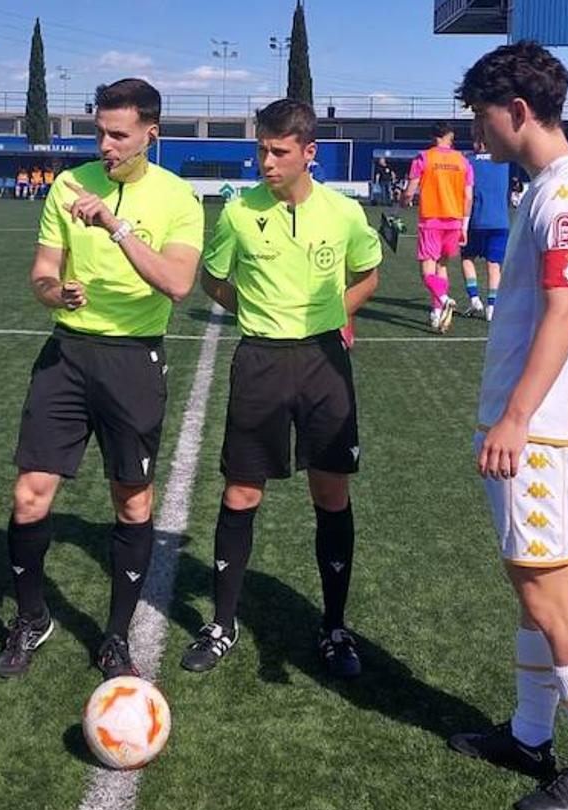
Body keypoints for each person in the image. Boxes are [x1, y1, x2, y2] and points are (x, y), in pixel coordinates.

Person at [448, 40, 568, 810]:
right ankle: (528, 734)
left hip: (546, 432)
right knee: (531, 586)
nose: (477, 134)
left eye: (483, 119)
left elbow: (566, 308)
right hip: (540, 424)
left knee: (552, 593)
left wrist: (518, 418)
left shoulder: (563, 197)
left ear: (517, 110)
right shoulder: (548, 190)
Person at [0, 77, 203, 681]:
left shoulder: (178, 199)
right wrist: (54, 291)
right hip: (67, 354)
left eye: (119, 135)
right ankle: (32, 617)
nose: (106, 145)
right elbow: (40, 273)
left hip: (133, 360)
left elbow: (178, 283)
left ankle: (115, 636)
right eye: (99, 133)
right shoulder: (67, 185)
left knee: (132, 500)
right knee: (28, 495)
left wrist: (114, 226)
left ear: (150, 135)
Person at [181, 99, 382, 677]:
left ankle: (334, 627)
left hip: (323, 361)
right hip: (260, 361)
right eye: (261, 150)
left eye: (278, 152)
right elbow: (213, 280)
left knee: (331, 494)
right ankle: (222, 623)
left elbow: (368, 274)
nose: (266, 162)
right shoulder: (240, 214)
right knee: (242, 493)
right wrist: (257, 312)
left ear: (308, 153)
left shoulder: (344, 214)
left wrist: (332, 312)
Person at [402, 122, 473, 333]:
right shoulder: (463, 161)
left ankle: (442, 299)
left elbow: (409, 191)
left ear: (434, 137)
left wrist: (405, 201)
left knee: (427, 272)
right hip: (454, 222)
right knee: (442, 267)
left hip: (431, 220)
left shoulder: (423, 158)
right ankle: (435, 313)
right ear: (450, 136)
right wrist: (465, 226)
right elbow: (468, 196)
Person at [460, 138, 511, 322]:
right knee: (494, 265)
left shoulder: (468, 162)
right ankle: (492, 306)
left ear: (480, 143)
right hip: (500, 221)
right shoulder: (504, 162)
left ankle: (474, 299)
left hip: (476, 220)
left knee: (467, 258)